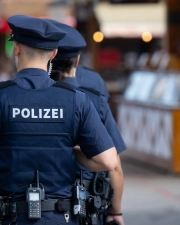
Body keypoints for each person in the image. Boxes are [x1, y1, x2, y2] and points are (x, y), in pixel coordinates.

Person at [0, 15, 118, 225]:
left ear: (16, 49)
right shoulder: (76, 99)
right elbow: (108, 161)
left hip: (10, 218)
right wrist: (69, 152)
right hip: (62, 218)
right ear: (53, 53)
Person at [49, 20, 126, 225]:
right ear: (77, 59)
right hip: (87, 203)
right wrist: (116, 212)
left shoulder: (25, 95)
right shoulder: (94, 88)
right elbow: (114, 164)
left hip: (37, 201)